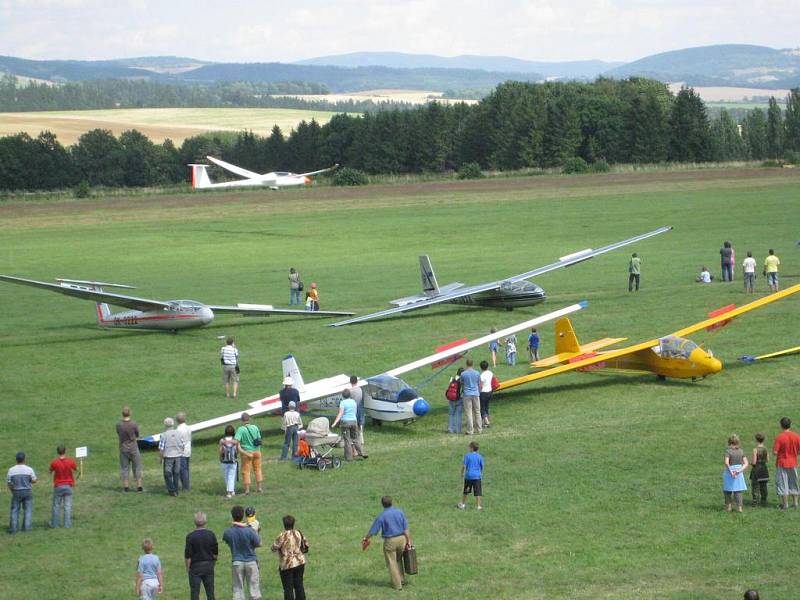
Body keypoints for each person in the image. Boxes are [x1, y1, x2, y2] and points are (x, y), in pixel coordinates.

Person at [362, 496, 412, 591]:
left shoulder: (382, 516)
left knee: (392, 563)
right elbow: (406, 528)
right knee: (398, 560)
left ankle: (397, 586)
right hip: (402, 539)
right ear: (392, 502)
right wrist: (409, 541)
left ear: (382, 504)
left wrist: (366, 538)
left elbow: (373, 531)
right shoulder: (399, 512)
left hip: (390, 541)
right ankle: (401, 580)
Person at [223, 505, 262, 600]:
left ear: (232, 516)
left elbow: (227, 541)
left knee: (238, 590)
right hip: (251, 561)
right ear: (243, 516)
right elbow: (258, 543)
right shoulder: (250, 530)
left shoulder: (228, 532)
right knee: (254, 591)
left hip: (237, 561)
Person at [271, 515, 307, 600]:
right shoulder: (298, 533)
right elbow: (306, 545)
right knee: (299, 586)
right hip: (300, 562)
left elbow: (273, 548)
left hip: (286, 564)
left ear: (284, 524)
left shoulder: (282, 536)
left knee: (288, 588)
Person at [185, 511, 218, 600]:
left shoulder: (190, 536)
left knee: (194, 593)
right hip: (208, 566)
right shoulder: (211, 534)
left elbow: (188, 555)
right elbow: (215, 553)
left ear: (195, 522)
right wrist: (212, 563)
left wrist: (188, 569)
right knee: (210, 592)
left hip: (195, 567)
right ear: (205, 522)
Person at [773, 416, 800, 510]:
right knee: (794, 482)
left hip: (782, 463)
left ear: (781, 425)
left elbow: (775, 452)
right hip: (793, 463)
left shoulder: (779, 437)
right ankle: (796, 503)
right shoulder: (796, 436)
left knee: (783, 483)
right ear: (790, 424)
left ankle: (785, 505)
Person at [331, 388, 366, 460]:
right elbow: (355, 412)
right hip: (354, 421)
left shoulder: (343, 403)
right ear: (350, 395)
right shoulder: (354, 402)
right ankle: (362, 453)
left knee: (347, 440)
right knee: (356, 438)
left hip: (345, 422)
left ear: (343, 396)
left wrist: (335, 423)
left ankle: (349, 457)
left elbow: (340, 413)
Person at [7, 451, 36, 533]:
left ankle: (13, 529)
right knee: (28, 510)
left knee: (15, 510)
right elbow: (34, 480)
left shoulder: (11, 470)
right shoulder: (29, 469)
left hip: (16, 491)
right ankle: (26, 528)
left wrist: (12, 490)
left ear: (16, 459)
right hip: (27, 491)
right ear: (24, 459)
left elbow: (9, 483)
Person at [49, 445, 77, 528]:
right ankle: (67, 525)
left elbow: (50, 470)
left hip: (58, 485)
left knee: (56, 506)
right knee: (67, 506)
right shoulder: (70, 461)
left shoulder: (55, 462)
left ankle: (54, 524)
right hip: (68, 486)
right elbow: (76, 469)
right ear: (65, 451)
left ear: (58, 452)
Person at [117, 406, 143, 492]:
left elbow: (118, 433)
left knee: (124, 468)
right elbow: (137, 434)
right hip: (133, 448)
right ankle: (139, 487)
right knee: (137, 467)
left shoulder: (119, 424)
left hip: (123, 448)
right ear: (130, 413)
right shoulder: (133, 424)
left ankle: (126, 487)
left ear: (122, 414)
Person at [235, 413, 263, 495]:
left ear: (241, 420)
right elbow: (259, 439)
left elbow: (237, 442)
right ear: (249, 419)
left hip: (247, 453)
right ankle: (259, 488)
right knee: (258, 469)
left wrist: (240, 451)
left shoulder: (240, 429)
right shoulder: (255, 427)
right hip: (257, 451)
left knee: (246, 471)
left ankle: (247, 490)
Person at [160, 416, 185, 497]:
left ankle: (172, 490)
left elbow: (161, 448)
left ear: (165, 425)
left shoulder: (164, 435)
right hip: (178, 456)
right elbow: (182, 445)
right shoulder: (178, 433)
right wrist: (181, 452)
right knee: (176, 473)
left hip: (168, 457)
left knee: (167, 474)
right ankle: (176, 490)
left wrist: (161, 458)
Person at [723, 434, 748, 513]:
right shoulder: (741, 451)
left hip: (729, 472)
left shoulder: (728, 451)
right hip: (738, 472)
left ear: (729, 442)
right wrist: (739, 471)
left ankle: (729, 507)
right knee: (738, 491)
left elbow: (726, 463)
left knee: (727, 490)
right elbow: (746, 463)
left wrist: (731, 472)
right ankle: (740, 508)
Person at [458, 441, 484, 510]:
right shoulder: (480, 456)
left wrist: (462, 473)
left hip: (469, 477)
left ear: (472, 448)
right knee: (478, 492)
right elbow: (482, 466)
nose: (468, 448)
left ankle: (463, 504)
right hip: (477, 477)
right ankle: (478, 506)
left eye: (469, 447)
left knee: (466, 491)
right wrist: (480, 473)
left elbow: (464, 466)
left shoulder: (467, 456)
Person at [460, 359, 481, 435]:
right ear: (472, 364)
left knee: (469, 413)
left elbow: (461, 383)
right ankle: (479, 429)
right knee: (477, 412)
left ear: (466, 364)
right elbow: (479, 383)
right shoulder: (477, 373)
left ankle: (470, 430)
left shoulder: (463, 374)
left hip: (467, 394)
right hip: (475, 393)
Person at [219, 425, 241, 499]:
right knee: (232, 476)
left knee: (226, 477)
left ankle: (229, 492)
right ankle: (232, 491)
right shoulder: (235, 440)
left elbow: (220, 450)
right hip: (233, 461)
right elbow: (237, 450)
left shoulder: (222, 440)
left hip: (224, 461)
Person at [750, 433, 769, 507]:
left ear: (756, 440)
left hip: (757, 469)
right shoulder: (766, 449)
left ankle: (755, 502)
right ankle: (764, 501)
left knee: (755, 486)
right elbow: (767, 460)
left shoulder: (755, 450)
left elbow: (754, 462)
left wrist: (750, 463)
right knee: (764, 486)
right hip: (764, 469)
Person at [176, 411, 192, 492]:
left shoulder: (178, 430)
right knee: (186, 469)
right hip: (188, 450)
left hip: (182, 451)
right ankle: (187, 485)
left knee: (183, 470)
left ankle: (186, 487)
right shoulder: (188, 427)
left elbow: (179, 442)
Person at [349, 375, 366, 448]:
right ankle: (361, 440)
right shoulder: (360, 389)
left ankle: (354, 442)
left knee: (354, 428)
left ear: (350, 382)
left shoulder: (350, 391)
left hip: (354, 410)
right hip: (360, 409)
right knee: (360, 426)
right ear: (357, 381)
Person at [447, 367, 464, 434]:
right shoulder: (462, 380)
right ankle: (458, 430)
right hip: (459, 399)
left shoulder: (452, 378)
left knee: (451, 414)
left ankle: (450, 429)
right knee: (458, 414)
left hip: (451, 399)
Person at [479, 360, 494, 429]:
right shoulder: (490, 373)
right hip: (490, 391)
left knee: (482, 408)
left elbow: (481, 385)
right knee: (487, 407)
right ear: (487, 366)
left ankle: (487, 422)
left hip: (483, 392)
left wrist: (478, 390)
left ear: (481, 368)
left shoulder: (482, 375)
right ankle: (486, 422)